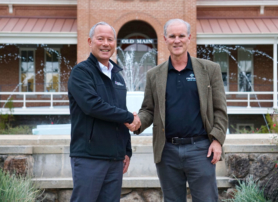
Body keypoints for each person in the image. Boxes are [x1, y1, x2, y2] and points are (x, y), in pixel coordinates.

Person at [125, 19, 228, 202]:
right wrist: (137, 122)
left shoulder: (210, 70)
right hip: (167, 151)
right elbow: (148, 109)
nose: (177, 40)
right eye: (172, 36)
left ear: (189, 38)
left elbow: (220, 110)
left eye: (181, 36)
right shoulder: (154, 75)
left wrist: (217, 140)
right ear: (165, 39)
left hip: (201, 150)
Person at [68, 22, 141, 202]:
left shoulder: (117, 76)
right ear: (90, 41)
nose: (105, 43)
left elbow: (120, 111)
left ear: (115, 43)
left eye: (110, 39)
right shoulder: (81, 72)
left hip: (115, 158)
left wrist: (126, 150)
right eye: (100, 39)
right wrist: (129, 117)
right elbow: (92, 105)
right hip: (89, 156)